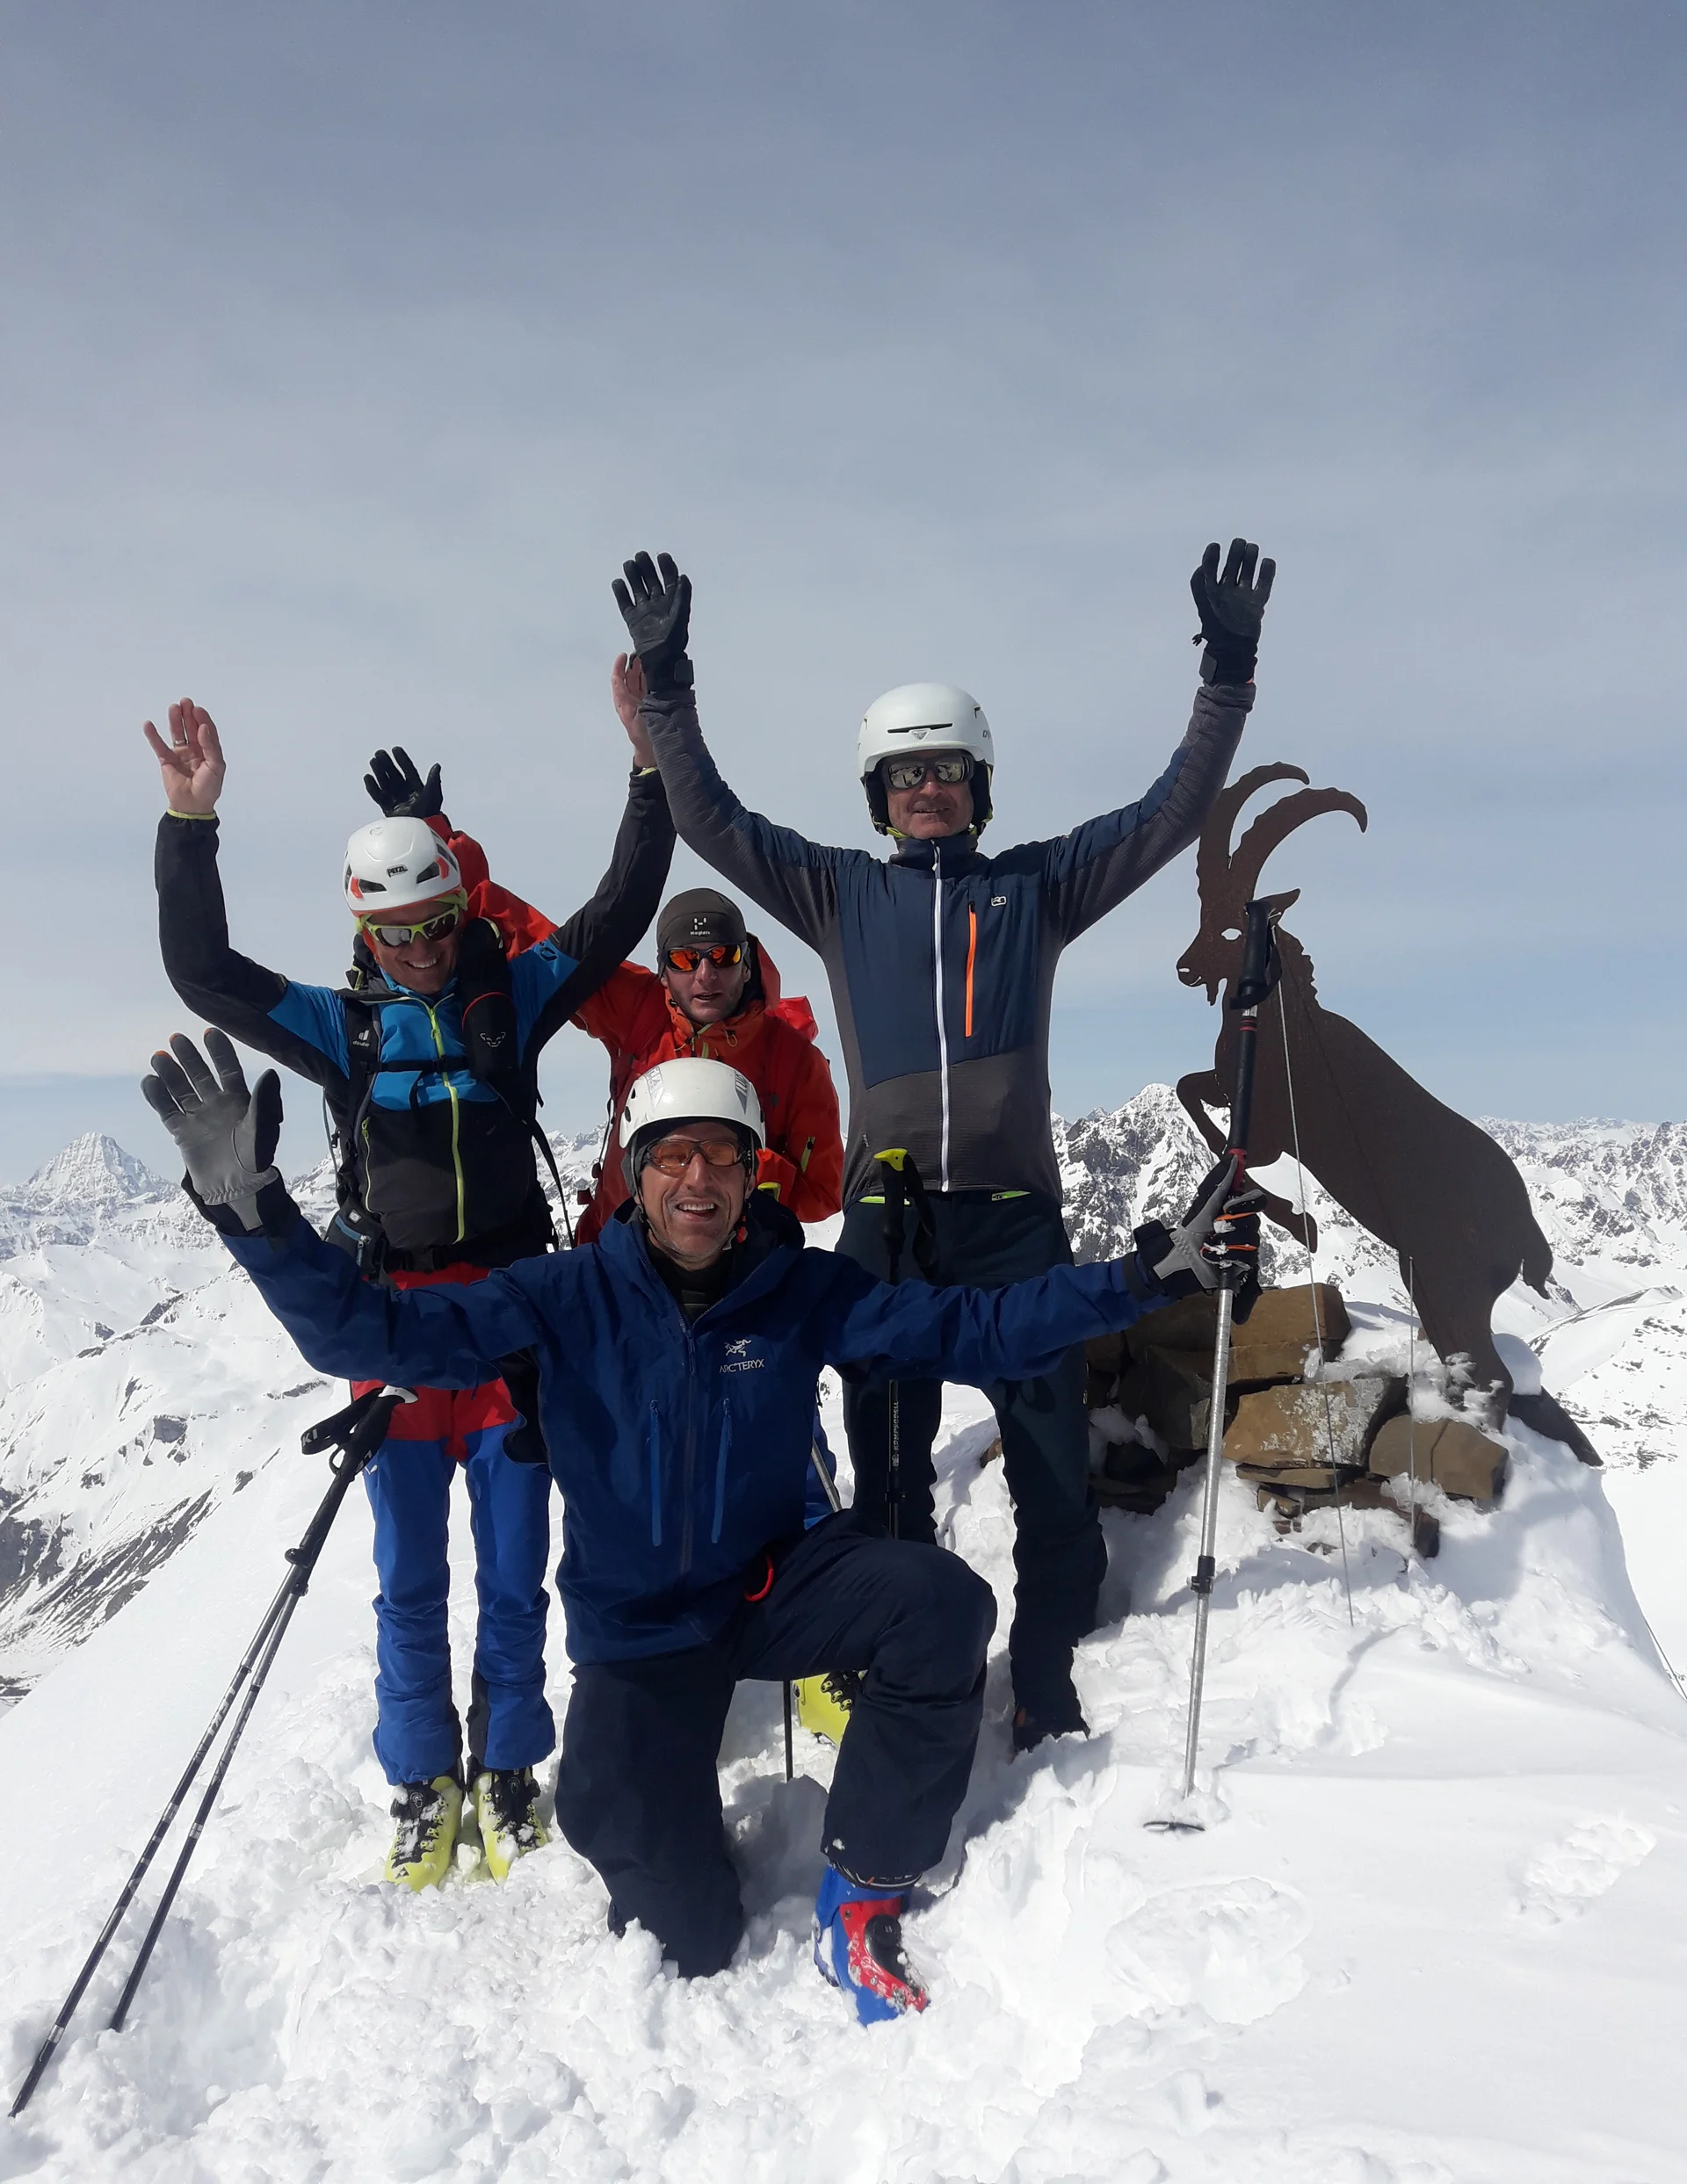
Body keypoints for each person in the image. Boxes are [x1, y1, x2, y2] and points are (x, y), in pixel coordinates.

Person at [141, 1036, 1249, 2021]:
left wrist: (1135, 1280)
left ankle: (864, 1890)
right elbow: (368, 1328)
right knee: (686, 1927)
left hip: (771, 1584)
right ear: (634, 1172)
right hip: (638, 1633)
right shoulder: (558, 1296)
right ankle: (667, 1828)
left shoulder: (799, 1291)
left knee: (942, 1605)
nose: (697, 1180)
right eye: (672, 1155)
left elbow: (975, 1325)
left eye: (722, 1157)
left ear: (750, 1172)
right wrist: (257, 1219)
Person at [612, 540, 1274, 1748]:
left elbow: (1170, 813)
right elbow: (712, 818)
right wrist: (668, 685)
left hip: (1014, 1214)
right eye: (906, 776)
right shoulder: (837, 893)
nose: (929, 791)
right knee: (888, 1468)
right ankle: (903, 1668)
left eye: (949, 773)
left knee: (1050, 1465)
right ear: (878, 795)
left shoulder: (1038, 889)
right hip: (889, 1219)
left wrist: (1224, 674)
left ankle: (1047, 1663)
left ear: (979, 788)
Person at [145, 687, 674, 1886]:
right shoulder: (348, 1030)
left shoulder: (511, 1001)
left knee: (511, 1559)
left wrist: (651, 775)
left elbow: (616, 914)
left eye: (438, 923)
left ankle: (510, 1769)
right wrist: (191, 825)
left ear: (460, 908)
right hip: (394, 1326)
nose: (423, 948)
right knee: (408, 1577)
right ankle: (423, 1783)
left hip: (512, 1327)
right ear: (365, 933)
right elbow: (203, 972)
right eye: (399, 934)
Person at [571, 872, 843, 1242]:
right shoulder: (638, 1010)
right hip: (617, 1257)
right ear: (663, 972)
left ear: (746, 966)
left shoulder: (794, 1060)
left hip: (737, 1270)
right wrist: (461, 870)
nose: (705, 974)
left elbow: (825, 1192)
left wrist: (734, 1161)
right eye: (684, 959)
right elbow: (542, 948)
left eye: (723, 956)